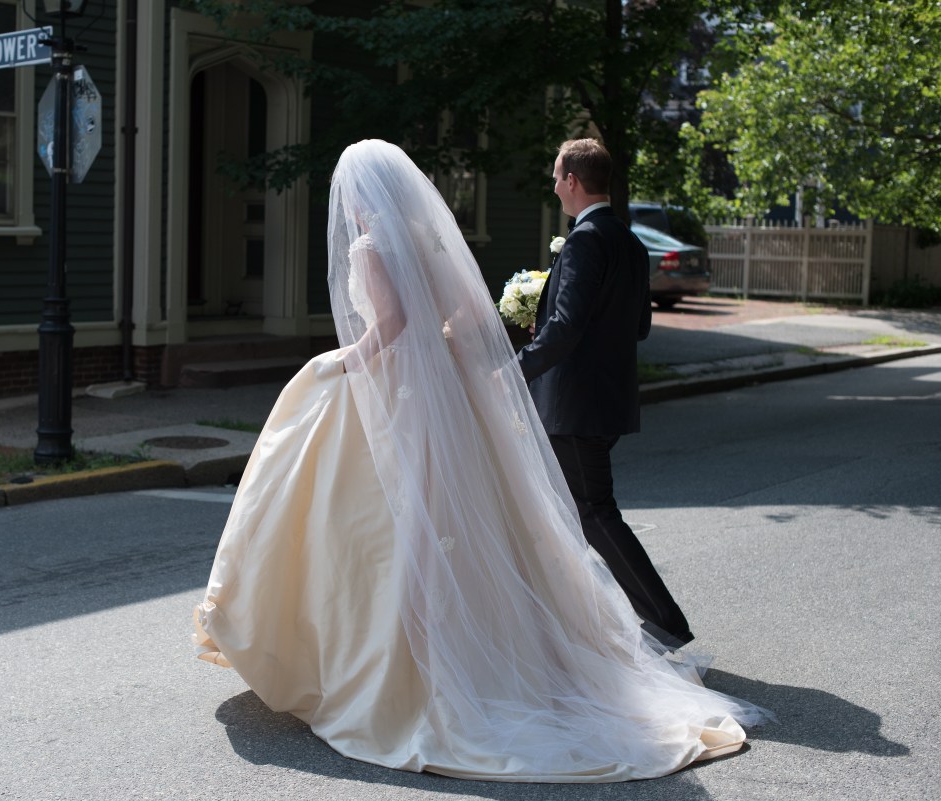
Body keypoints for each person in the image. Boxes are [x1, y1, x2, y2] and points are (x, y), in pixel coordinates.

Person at [194, 139, 765, 782]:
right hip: (442, 396)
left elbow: (392, 323)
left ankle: (394, 662)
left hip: (398, 394)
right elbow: (464, 314)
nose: (347, 207)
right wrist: (455, 366)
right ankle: (517, 643)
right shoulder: (428, 239)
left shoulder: (374, 245)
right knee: (469, 519)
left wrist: (344, 362)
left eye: (349, 195)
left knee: (380, 523)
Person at [518, 138, 694, 649]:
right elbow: (638, 326)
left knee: (593, 512)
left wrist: (514, 369)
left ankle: (666, 622)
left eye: (556, 177)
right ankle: (562, 624)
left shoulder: (584, 241)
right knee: (566, 513)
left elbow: (566, 327)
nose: (553, 186)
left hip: (574, 403)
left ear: (573, 181)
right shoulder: (630, 242)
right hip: (607, 399)